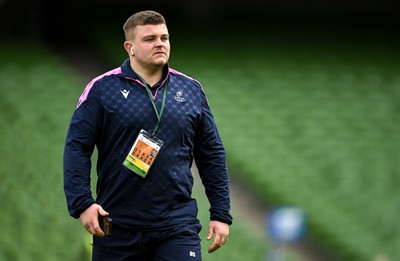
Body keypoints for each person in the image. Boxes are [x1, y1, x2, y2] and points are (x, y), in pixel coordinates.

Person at [63, 10, 233, 260]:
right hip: (117, 223)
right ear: (129, 47)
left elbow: (211, 153)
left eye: (164, 38)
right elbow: (77, 148)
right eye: (150, 39)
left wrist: (220, 213)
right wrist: (83, 203)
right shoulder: (102, 89)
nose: (160, 44)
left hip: (176, 224)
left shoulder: (191, 89)